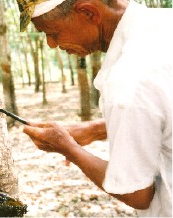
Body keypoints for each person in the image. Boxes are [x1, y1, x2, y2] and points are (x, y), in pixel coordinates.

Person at [16, 0, 172, 216]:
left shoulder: (129, 81)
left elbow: (137, 193)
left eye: (51, 32)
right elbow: (161, 113)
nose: (51, 44)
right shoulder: (166, 22)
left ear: (88, 12)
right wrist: (96, 130)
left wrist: (69, 148)